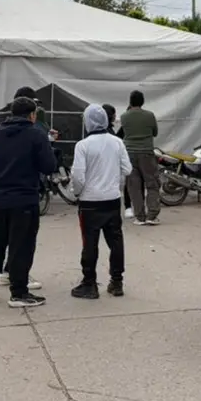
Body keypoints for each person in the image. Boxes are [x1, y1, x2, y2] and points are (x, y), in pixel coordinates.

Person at [0, 97, 57, 307]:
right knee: (21, 244)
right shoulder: (36, 135)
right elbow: (49, 166)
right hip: (24, 197)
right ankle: (19, 292)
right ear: (32, 115)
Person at [70, 104, 133, 299]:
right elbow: (127, 169)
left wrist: (77, 192)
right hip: (112, 199)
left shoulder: (83, 145)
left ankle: (89, 283)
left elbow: (78, 175)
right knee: (115, 240)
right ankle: (117, 281)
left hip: (90, 201)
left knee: (90, 242)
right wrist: (114, 183)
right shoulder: (117, 142)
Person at [120, 90, 160, 226]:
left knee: (134, 186)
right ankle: (152, 215)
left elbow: (124, 133)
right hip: (147, 153)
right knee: (152, 184)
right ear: (142, 101)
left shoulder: (124, 117)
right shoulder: (150, 116)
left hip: (130, 153)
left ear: (130, 102)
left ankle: (140, 217)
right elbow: (155, 132)